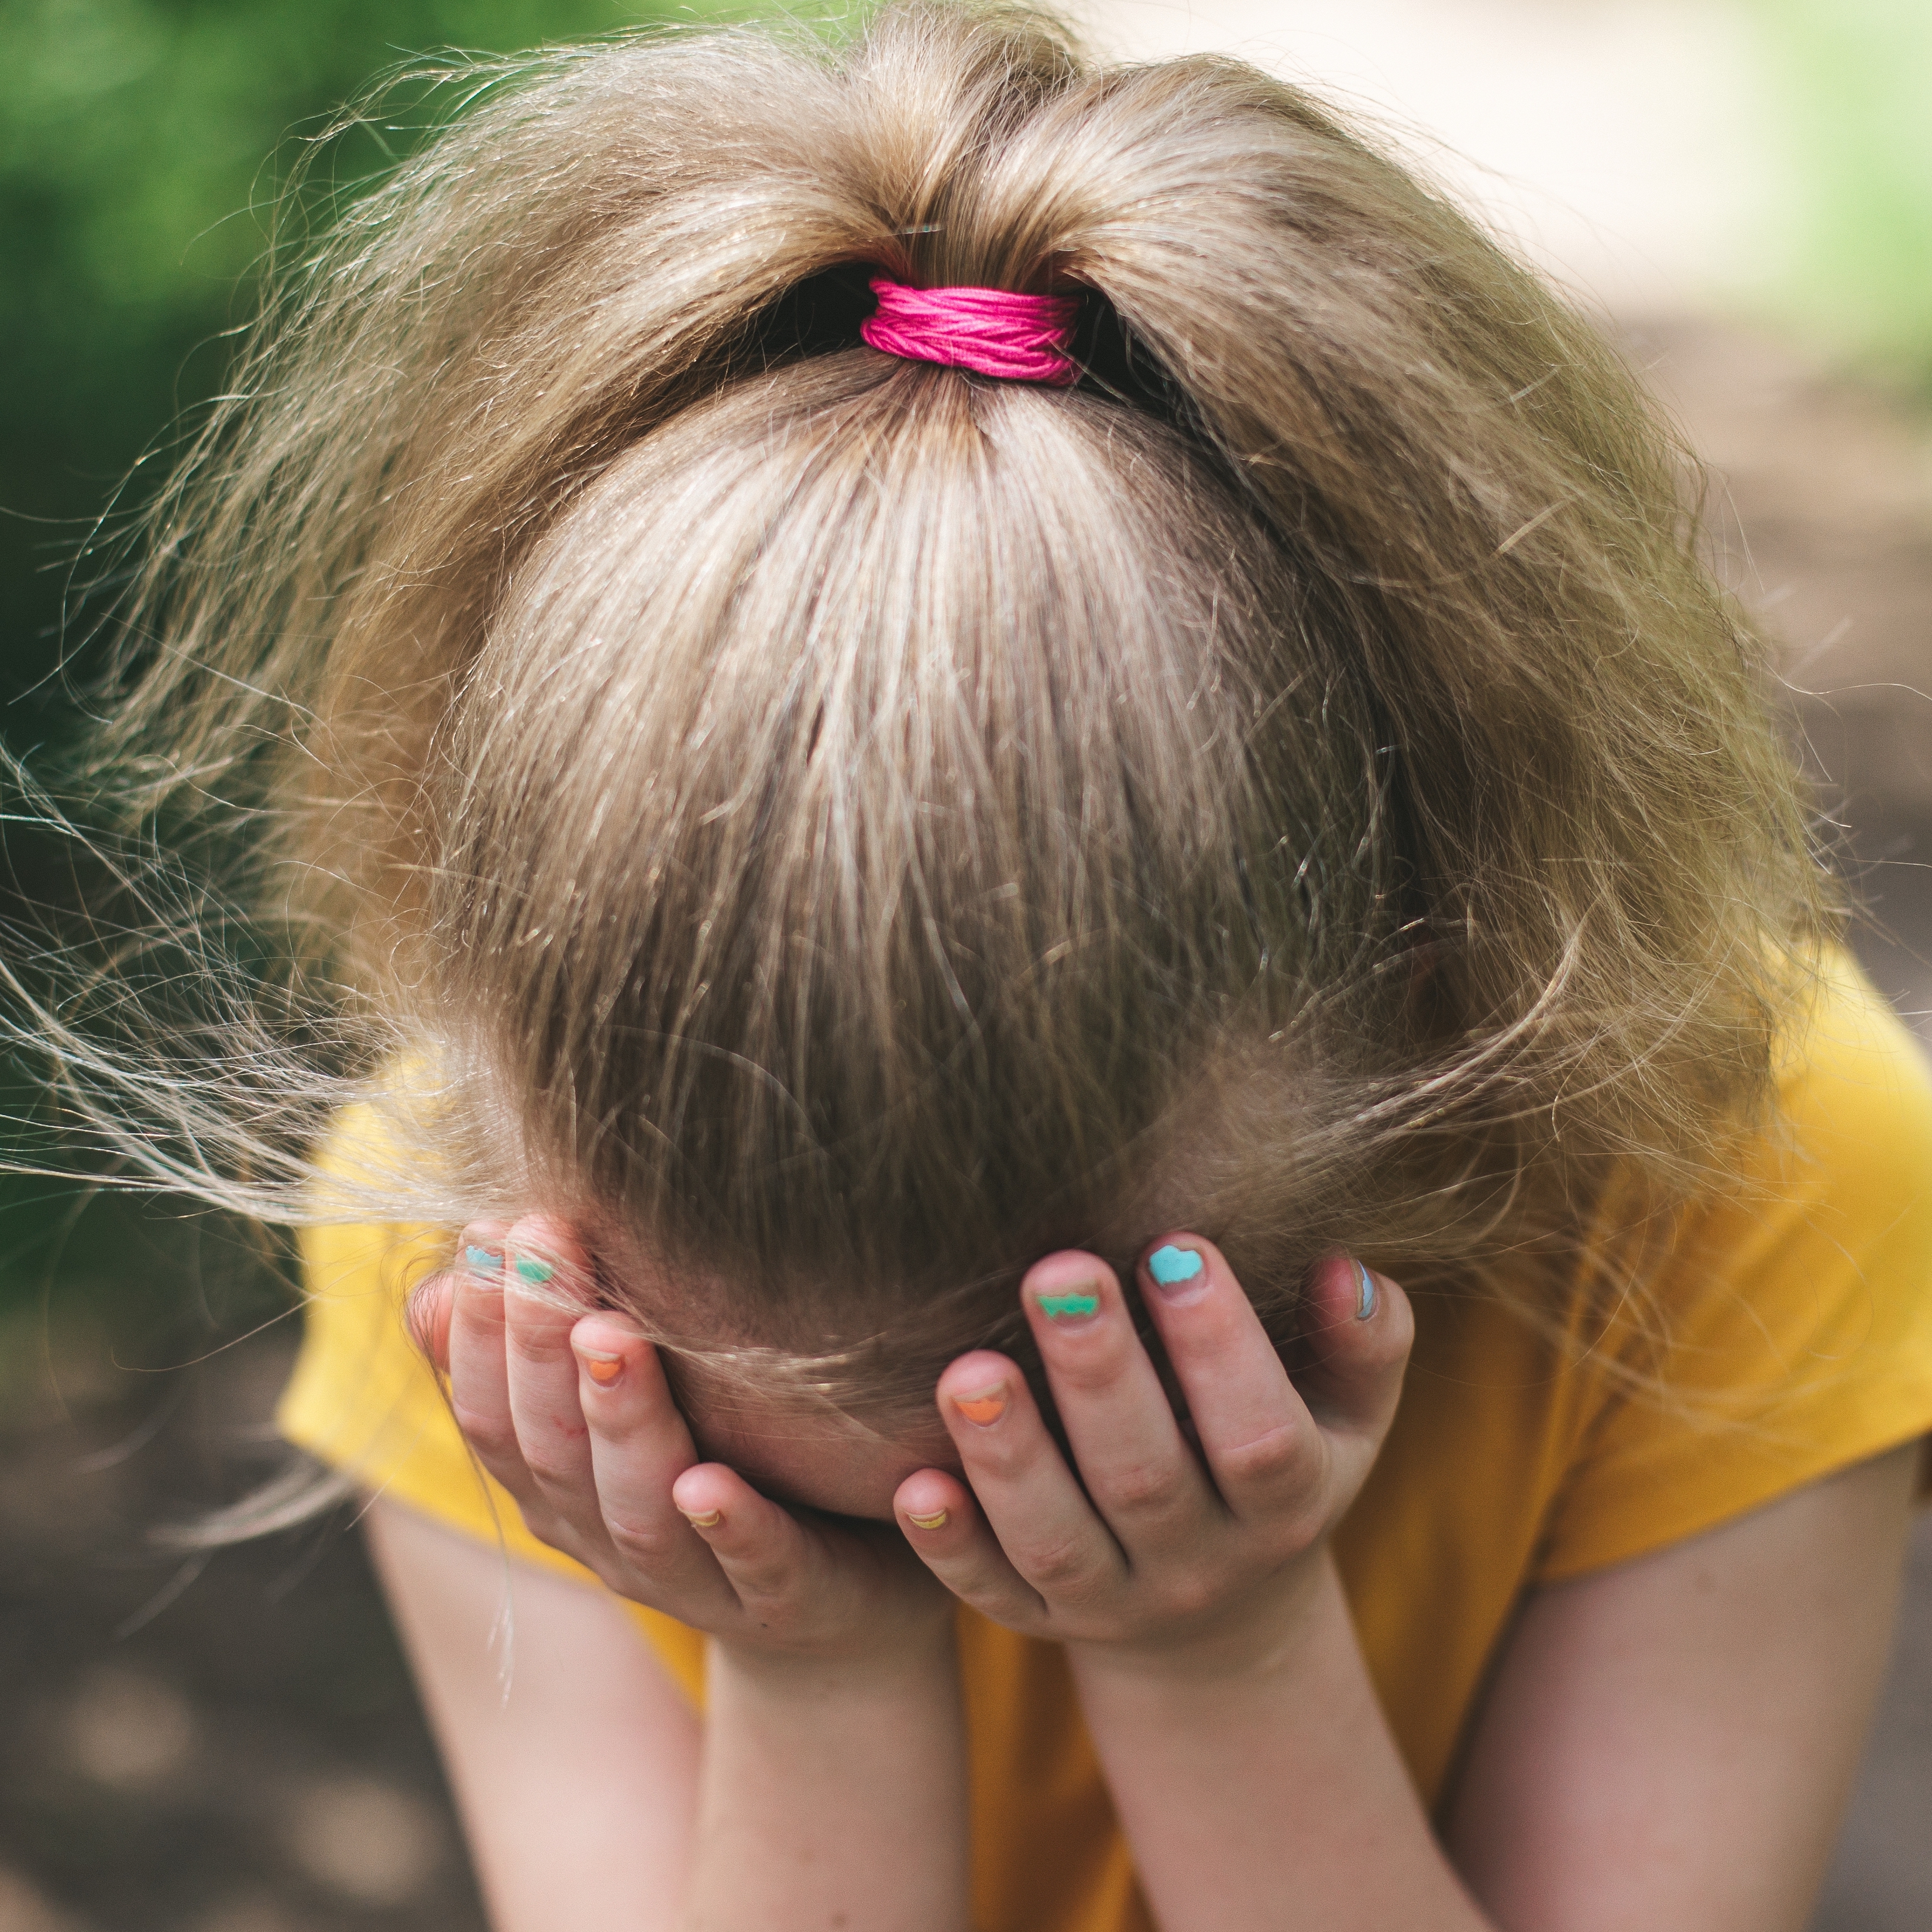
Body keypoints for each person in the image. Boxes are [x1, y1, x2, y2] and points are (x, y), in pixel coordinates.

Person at [52, 5, 1932, 1927]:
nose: (985, 1542)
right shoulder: (477, 1252)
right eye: (757, 1482)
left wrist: (1221, 1655)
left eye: (1102, 1435)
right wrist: (816, 1668)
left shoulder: (1769, 1173)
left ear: (1437, 1012)